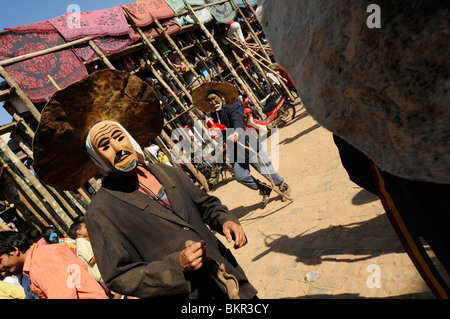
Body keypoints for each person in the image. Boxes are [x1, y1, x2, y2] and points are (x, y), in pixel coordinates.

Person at [31, 69, 257, 299]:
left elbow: (206, 205)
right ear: (97, 159)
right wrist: (175, 267)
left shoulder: (166, 172)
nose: (118, 149)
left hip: (230, 280)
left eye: (119, 138)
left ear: (129, 139)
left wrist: (225, 219)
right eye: (105, 146)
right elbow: (118, 276)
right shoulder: (100, 212)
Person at [192, 81, 291, 205]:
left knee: (265, 169)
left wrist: (236, 133)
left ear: (220, 97)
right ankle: (264, 189)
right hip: (235, 150)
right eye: (210, 101)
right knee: (240, 176)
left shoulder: (230, 107)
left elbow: (237, 121)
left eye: (214, 98)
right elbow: (221, 133)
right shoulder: (213, 116)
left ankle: (283, 186)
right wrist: (222, 144)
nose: (212, 102)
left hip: (247, 143)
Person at [0, 231, 108, 299]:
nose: (0, 268)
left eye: (0, 261)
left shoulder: (40, 262)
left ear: (15, 250)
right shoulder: (42, 255)